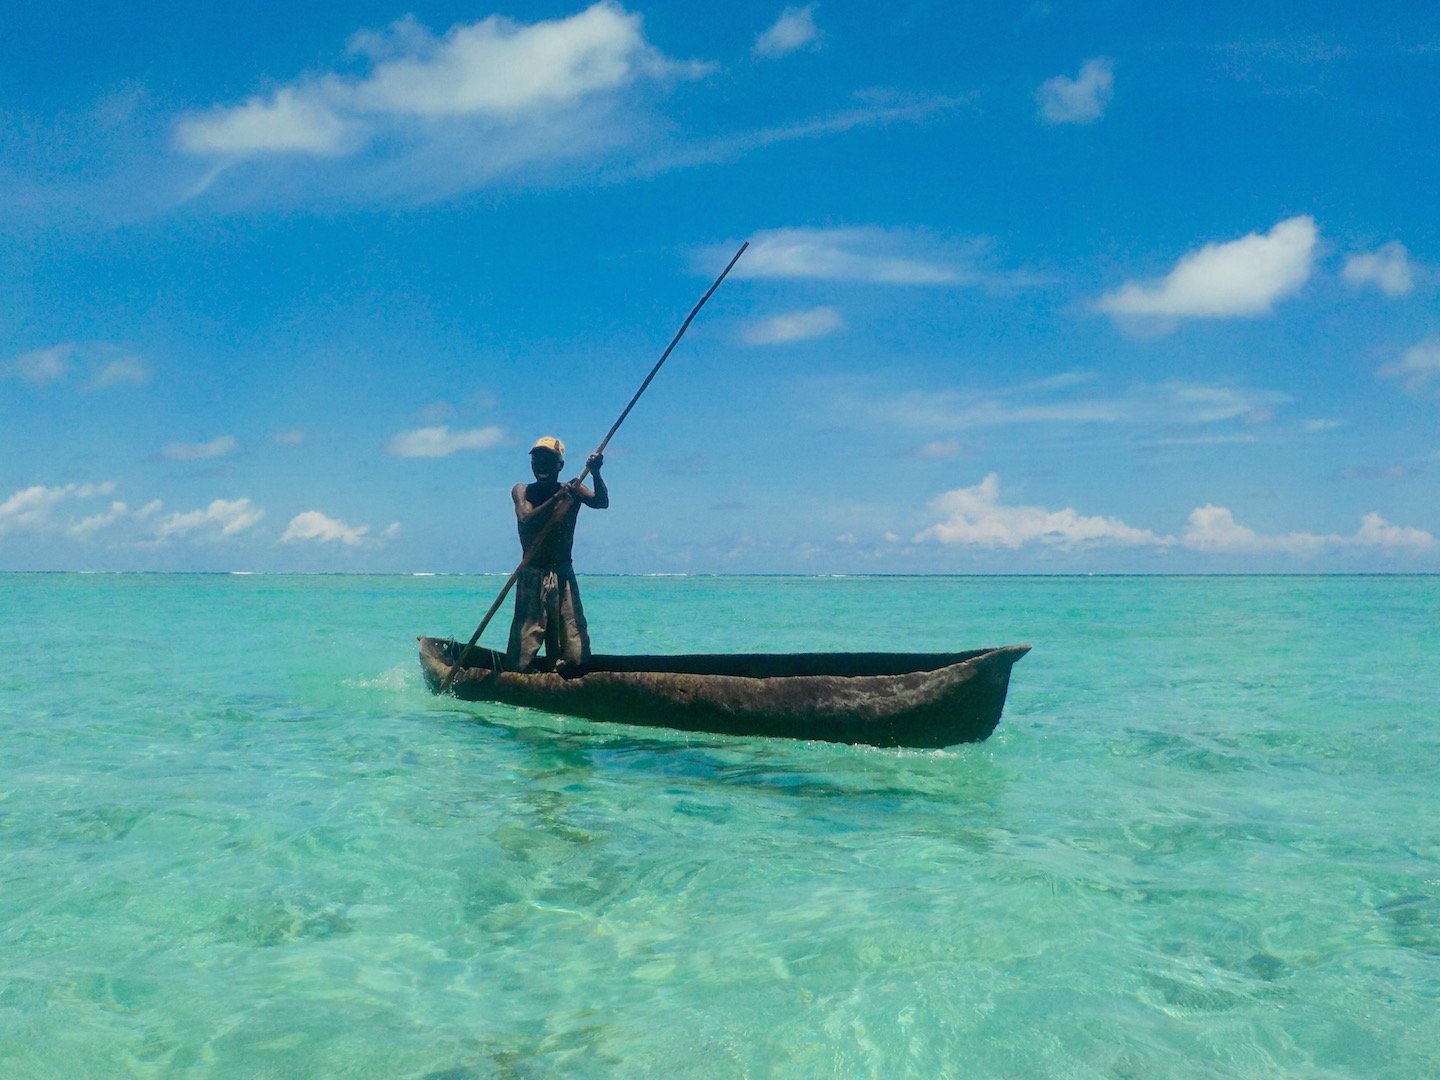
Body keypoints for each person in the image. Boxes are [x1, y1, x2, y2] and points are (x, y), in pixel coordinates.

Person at [505, 436, 609, 674]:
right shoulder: (522, 490)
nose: (541, 466)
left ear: (559, 465)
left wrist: (595, 473)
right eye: (537, 460)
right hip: (531, 572)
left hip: (563, 572)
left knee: (573, 644)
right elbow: (526, 519)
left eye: (548, 460)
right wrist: (556, 499)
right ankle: (520, 676)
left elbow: (602, 502)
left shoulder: (574, 487)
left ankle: (564, 674)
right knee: (523, 644)